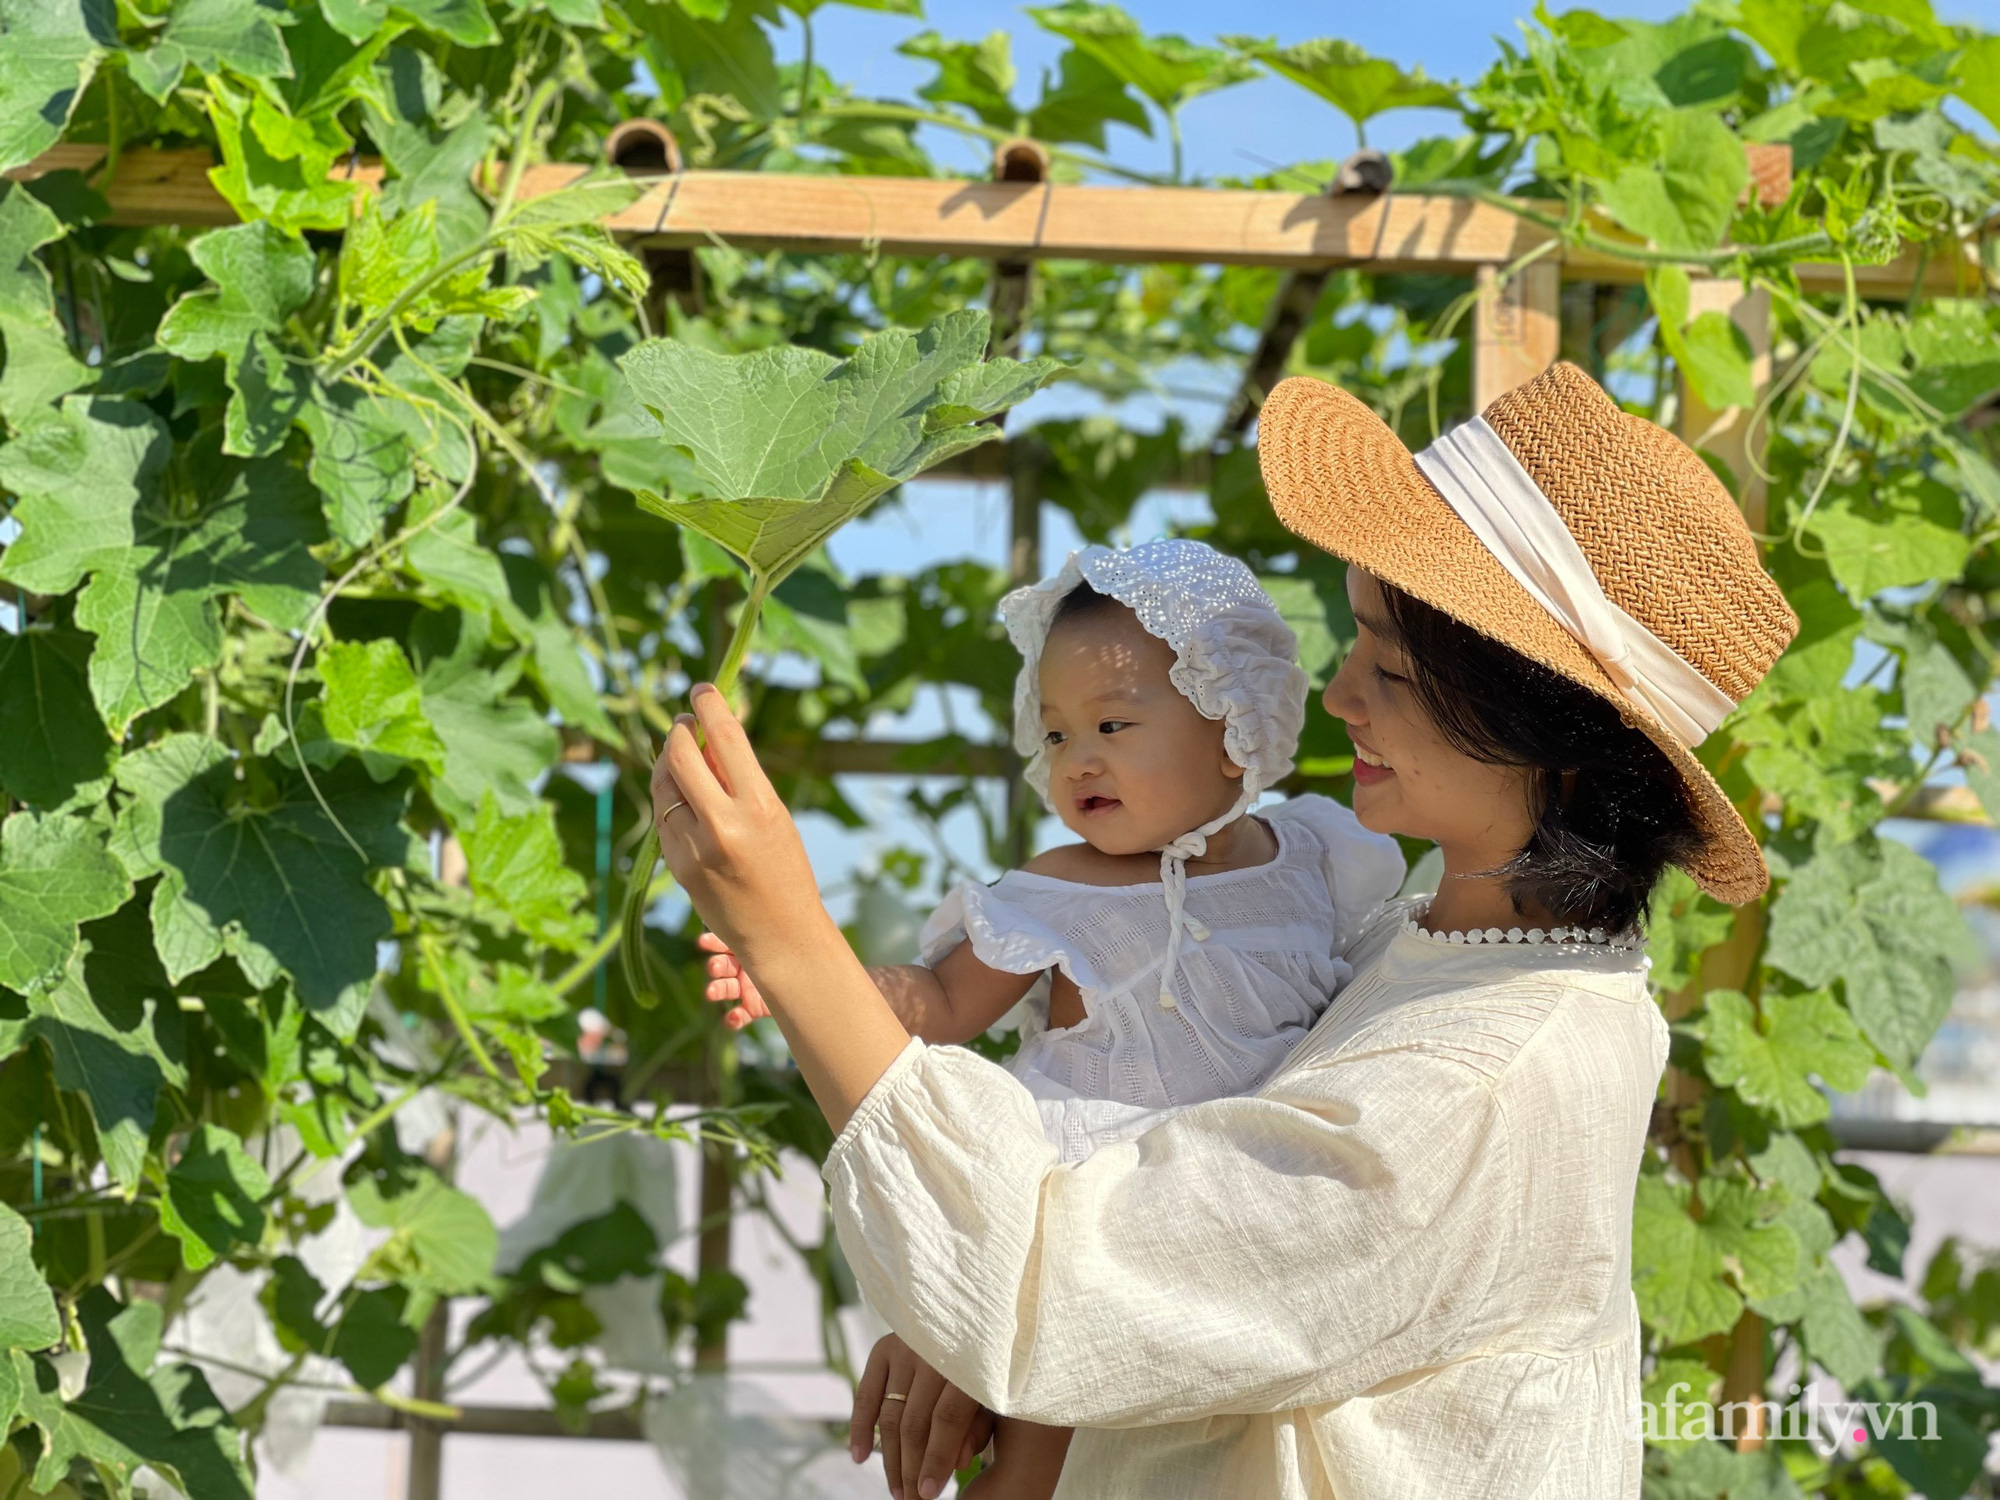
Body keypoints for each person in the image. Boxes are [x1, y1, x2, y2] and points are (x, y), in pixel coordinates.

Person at [648, 361, 1798, 1499]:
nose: (1339, 696)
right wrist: (972, 1306)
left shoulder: (1480, 1079)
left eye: (1388, 668)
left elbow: (1059, 1293)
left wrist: (789, 937)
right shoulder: (1422, 944)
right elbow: (1178, 1244)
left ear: (1541, 728)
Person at [696, 537, 1406, 1494]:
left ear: (1236, 717)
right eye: (1059, 733)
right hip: (1082, 1209)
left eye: (1114, 724)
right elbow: (937, 1003)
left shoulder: (1316, 854)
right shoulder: (1055, 892)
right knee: (1039, 1437)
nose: (1079, 760)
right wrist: (799, 976)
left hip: (1236, 1221)